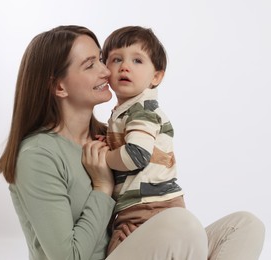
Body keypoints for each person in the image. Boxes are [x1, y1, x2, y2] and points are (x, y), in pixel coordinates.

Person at [0, 24, 265, 260]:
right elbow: (67, 256)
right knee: (181, 226)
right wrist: (102, 188)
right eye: (91, 65)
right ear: (60, 86)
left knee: (245, 226)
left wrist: (136, 230)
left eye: (100, 59)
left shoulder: (111, 136)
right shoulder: (39, 154)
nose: (106, 71)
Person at [101, 26, 185, 254]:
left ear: (156, 77)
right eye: (116, 59)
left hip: (147, 206)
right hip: (155, 203)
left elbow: (137, 155)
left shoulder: (141, 111)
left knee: (119, 249)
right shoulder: (128, 111)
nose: (125, 66)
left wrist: (104, 157)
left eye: (137, 61)